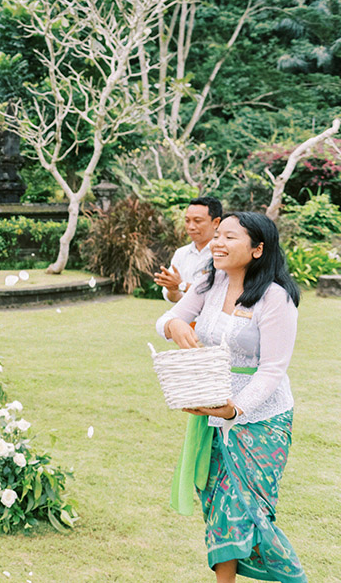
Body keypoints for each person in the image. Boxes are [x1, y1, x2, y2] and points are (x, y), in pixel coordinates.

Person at [156, 212, 306, 583]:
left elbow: (273, 369)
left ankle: (293, 577)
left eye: (230, 237)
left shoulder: (275, 298)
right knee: (220, 505)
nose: (217, 243)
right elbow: (166, 320)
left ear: (258, 249)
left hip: (261, 418)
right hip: (210, 407)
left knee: (251, 507)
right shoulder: (210, 282)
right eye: (217, 235)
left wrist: (235, 409)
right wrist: (174, 324)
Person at [154, 196, 222, 303]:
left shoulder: (224, 253)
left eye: (197, 221)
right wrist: (173, 290)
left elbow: (218, 295)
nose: (191, 227)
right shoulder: (181, 253)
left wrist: (182, 285)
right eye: (187, 220)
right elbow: (175, 299)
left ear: (216, 222)